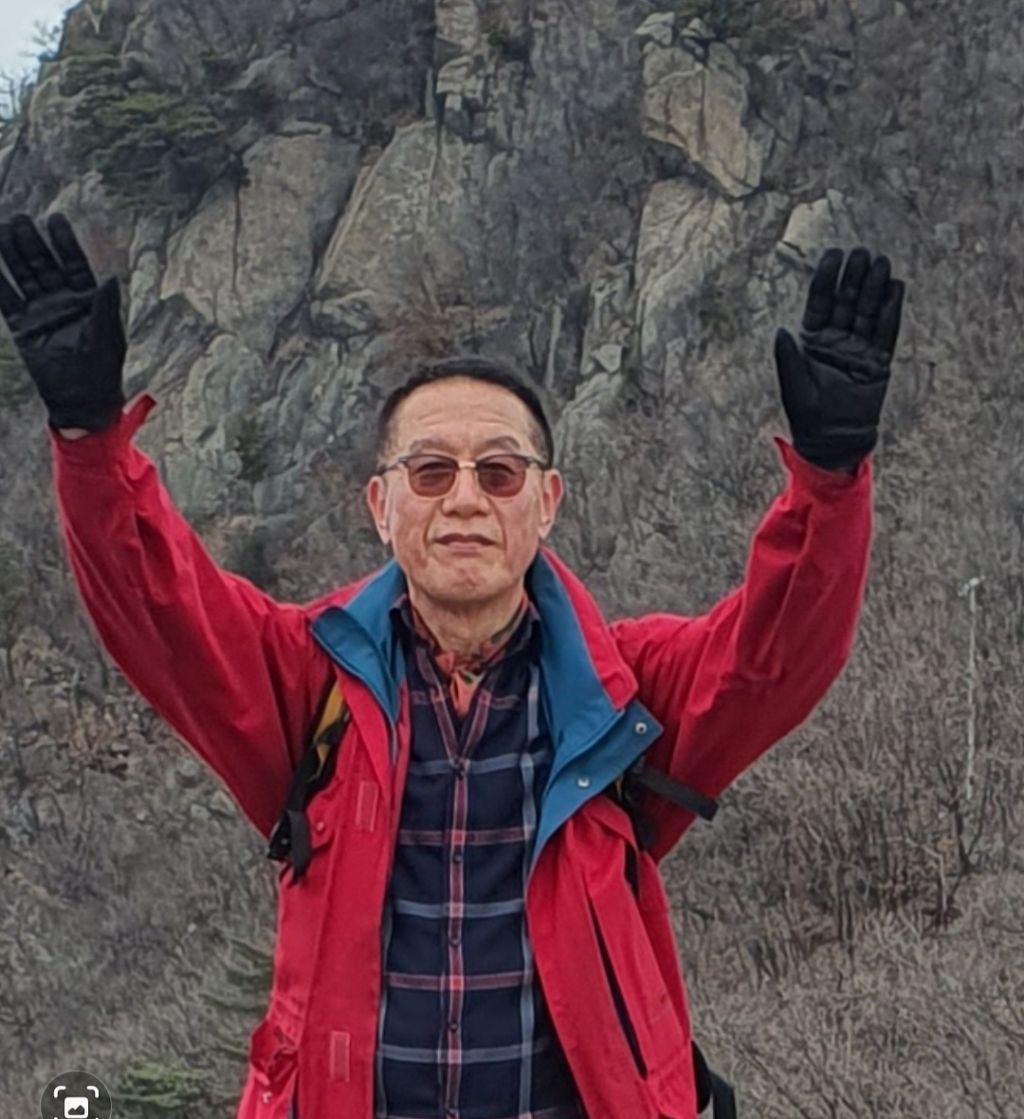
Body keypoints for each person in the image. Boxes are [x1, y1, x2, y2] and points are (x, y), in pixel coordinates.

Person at [0, 212, 904, 1119]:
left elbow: (776, 657)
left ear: (546, 502)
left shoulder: (623, 693)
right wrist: (89, 440)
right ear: (380, 505)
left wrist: (829, 481)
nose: (465, 498)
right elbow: (158, 608)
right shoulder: (311, 682)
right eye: (431, 472)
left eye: (499, 473)